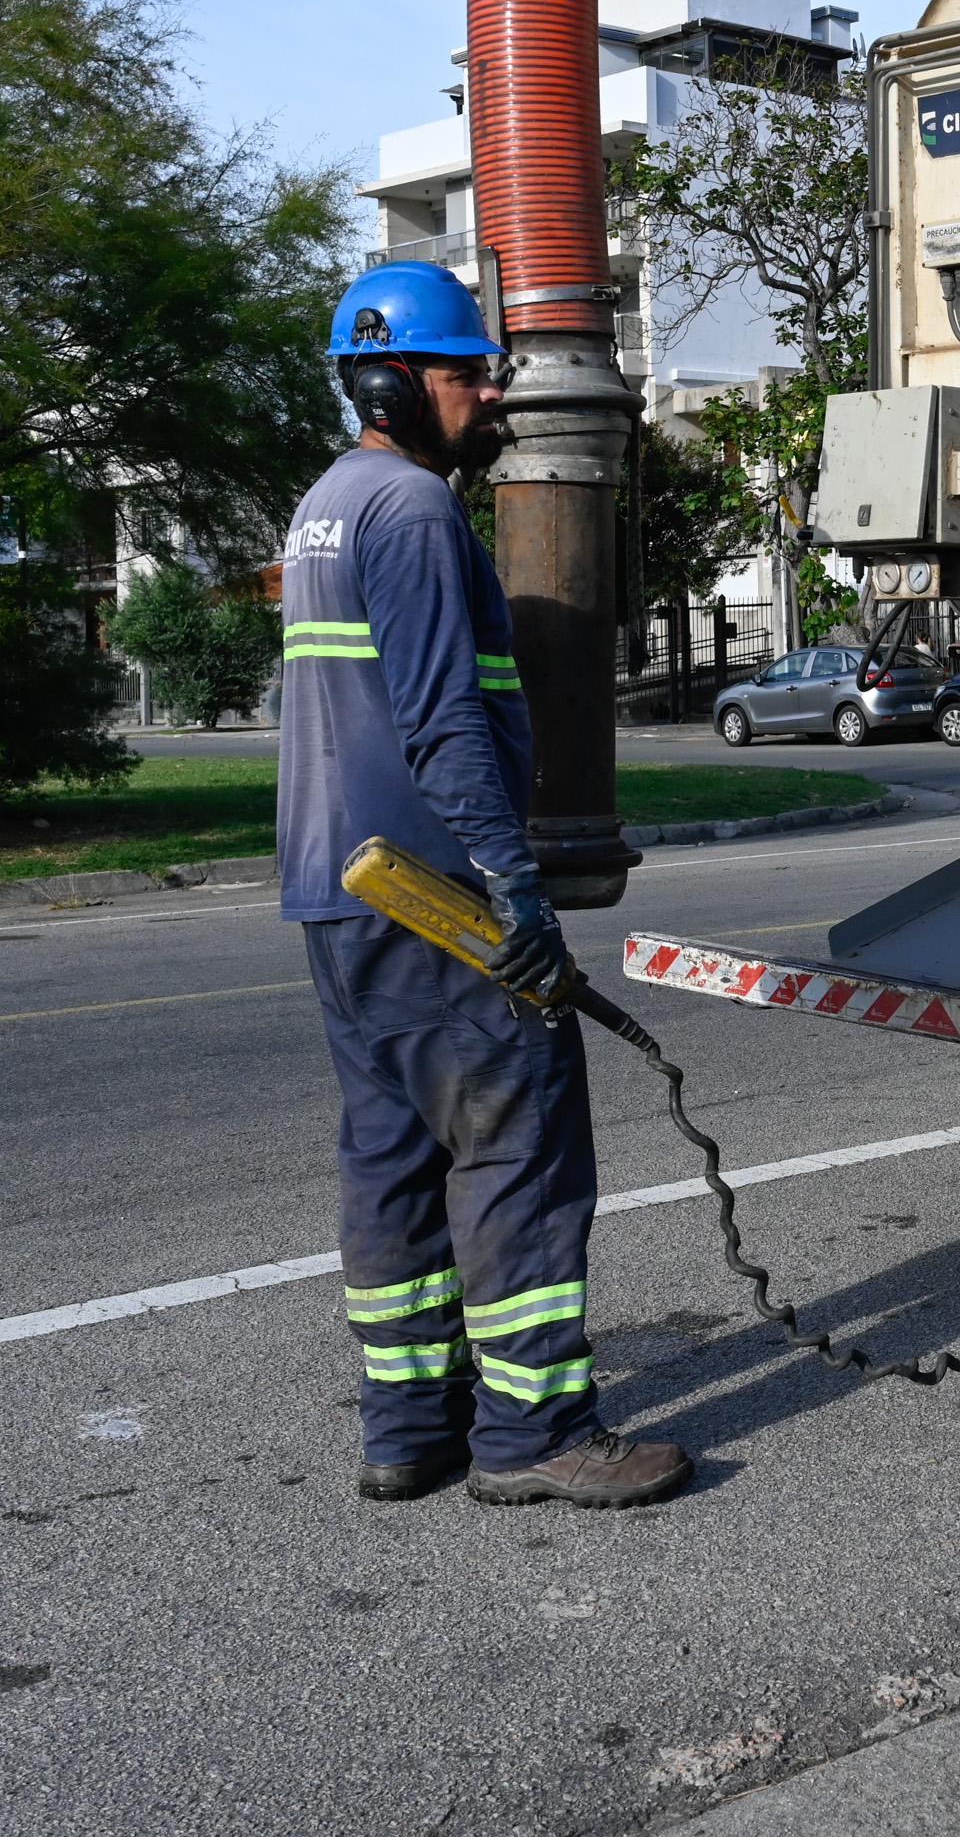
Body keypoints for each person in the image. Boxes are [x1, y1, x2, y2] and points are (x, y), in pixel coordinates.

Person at [281, 262, 691, 1510]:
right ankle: (534, 1433)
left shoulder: (325, 506)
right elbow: (443, 721)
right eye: (465, 373)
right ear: (391, 383)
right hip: (432, 897)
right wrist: (512, 885)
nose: (489, 395)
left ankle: (410, 1428)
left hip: (340, 895)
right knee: (518, 1149)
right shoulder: (408, 509)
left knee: (395, 1151)